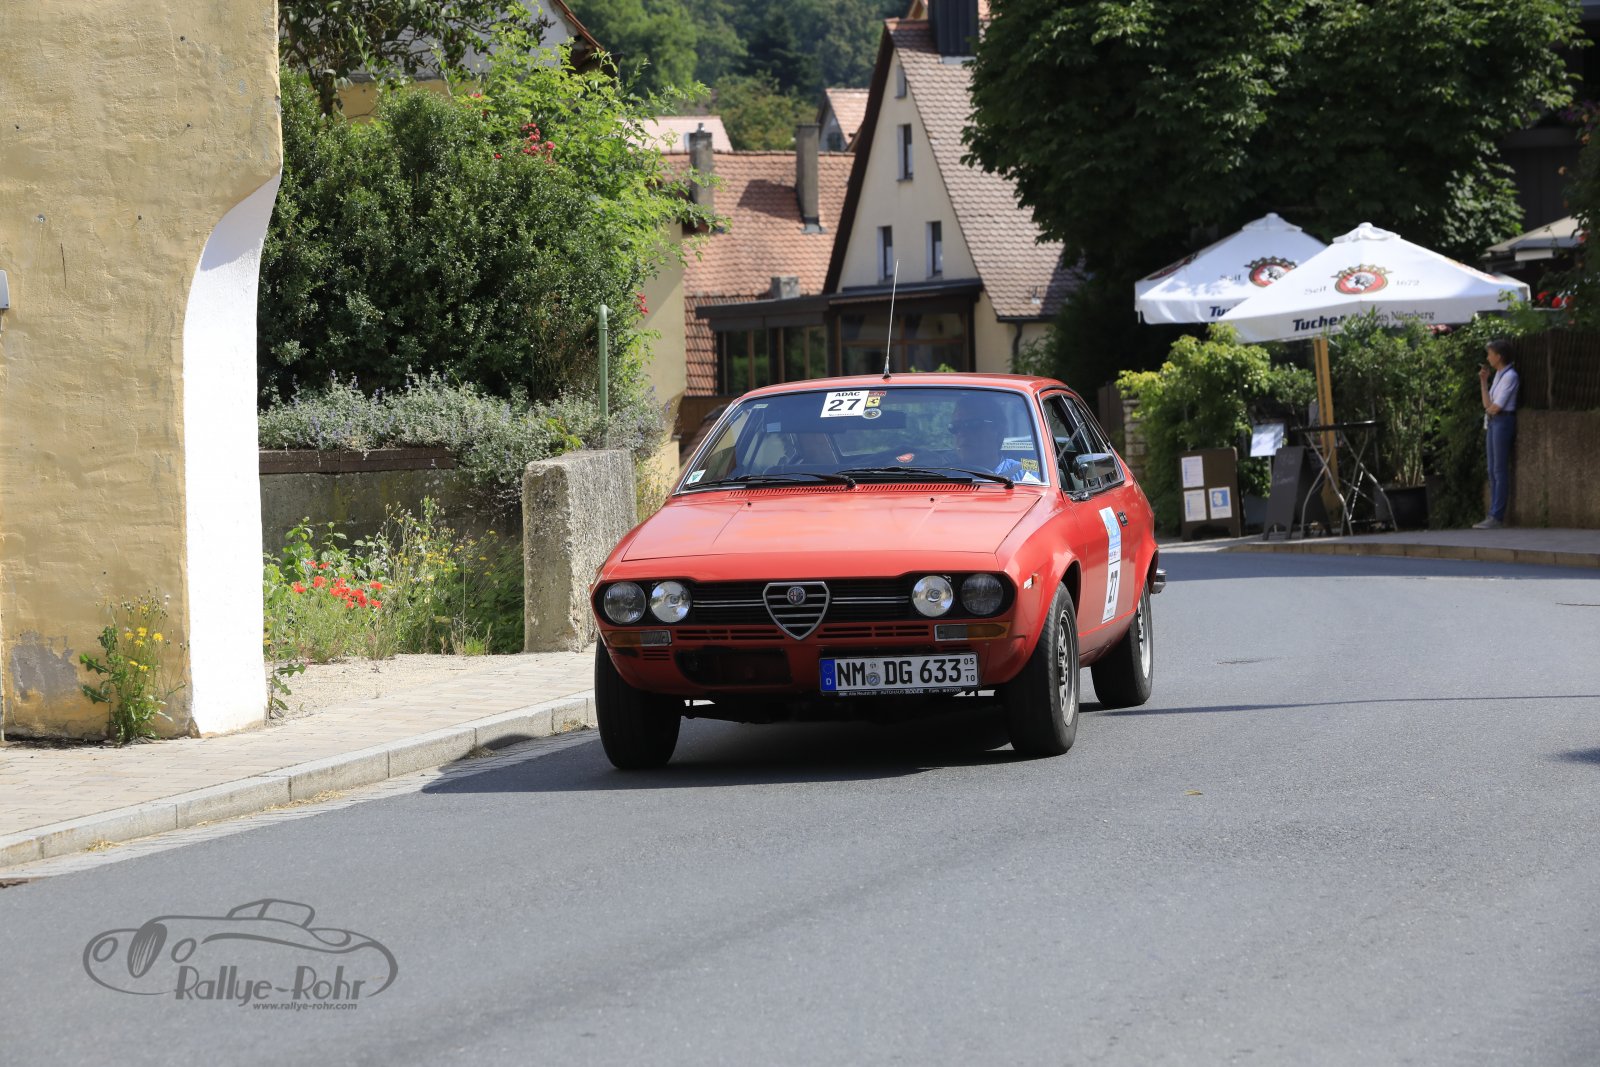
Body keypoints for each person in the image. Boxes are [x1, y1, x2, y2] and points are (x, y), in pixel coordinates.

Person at [1474, 338, 1519, 529]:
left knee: (1499, 469)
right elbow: (1488, 404)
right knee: (1492, 469)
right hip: (1493, 421)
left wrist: (1490, 409)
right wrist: (1484, 382)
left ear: (1499, 356)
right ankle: (1492, 513)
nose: (1488, 357)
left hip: (1503, 421)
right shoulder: (1499, 375)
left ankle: (1497, 515)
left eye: (1490, 354)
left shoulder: (1510, 376)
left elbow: (1497, 406)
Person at [950, 394, 1040, 482]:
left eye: (973, 425)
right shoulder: (945, 475)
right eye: (955, 426)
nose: (962, 433)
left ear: (999, 431)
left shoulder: (1025, 473)